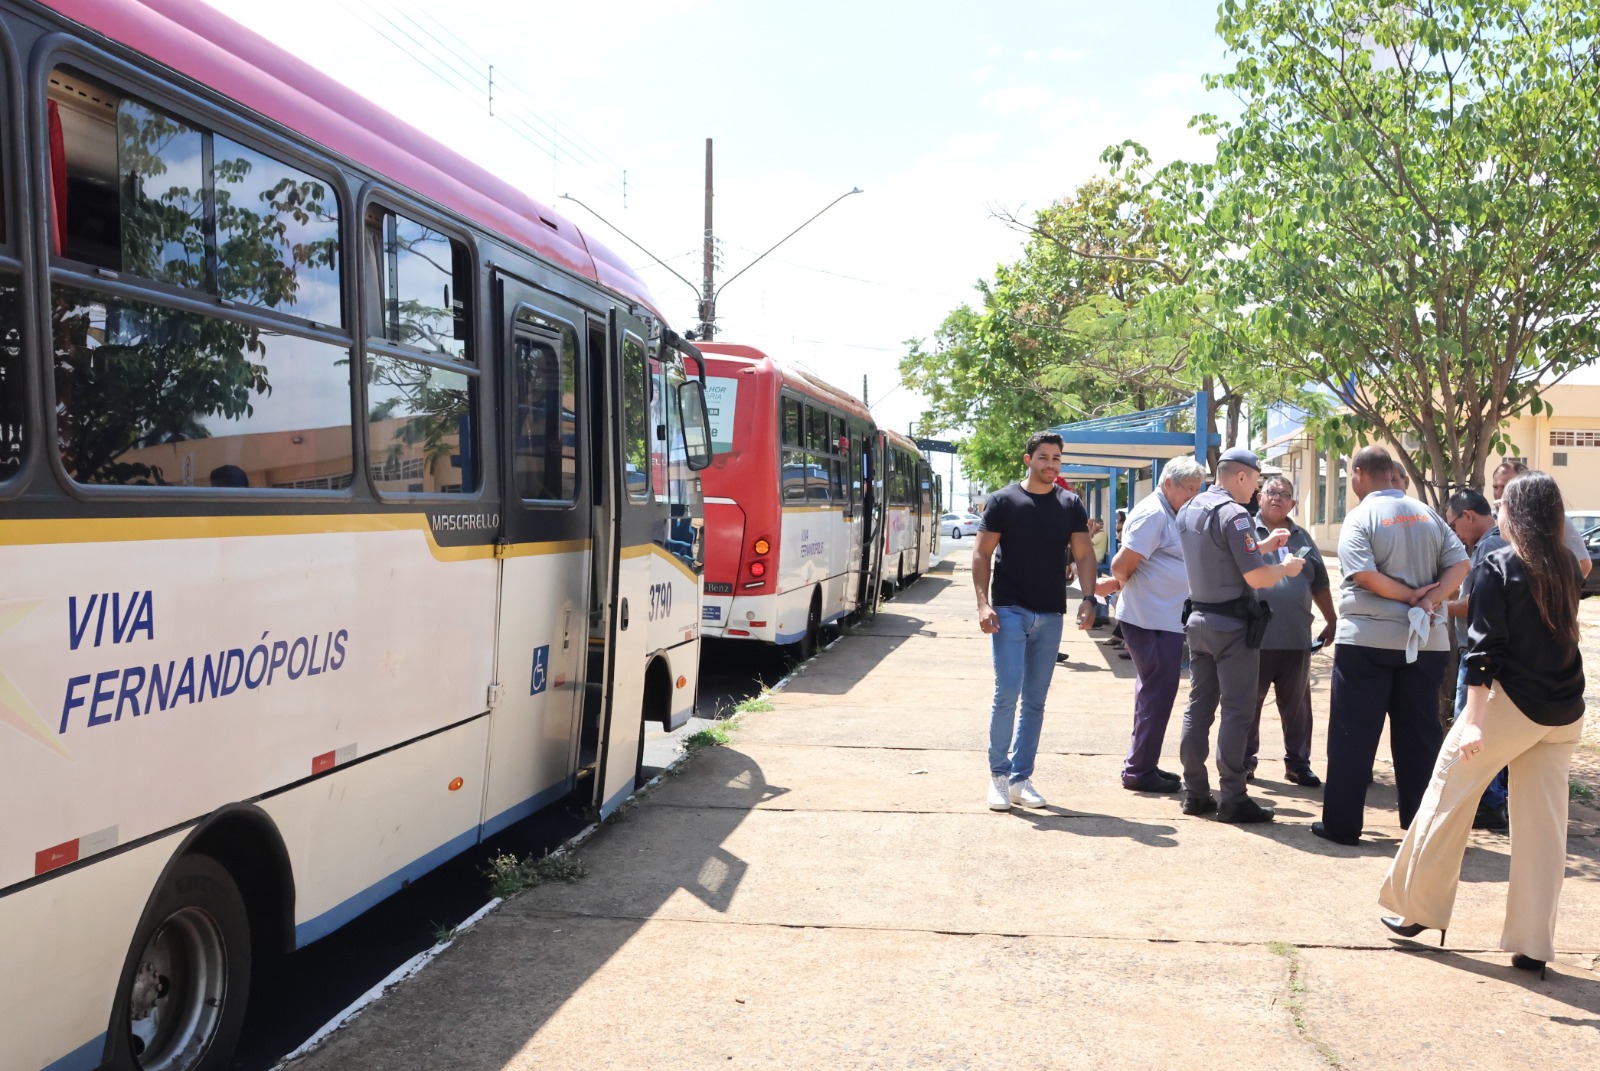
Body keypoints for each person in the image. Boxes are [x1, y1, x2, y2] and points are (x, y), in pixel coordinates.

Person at [1378, 471, 1586, 980]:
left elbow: (1483, 650)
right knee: (1544, 827)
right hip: (1565, 709)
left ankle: (1416, 909)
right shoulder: (1565, 564)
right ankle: (1533, 943)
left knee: (1445, 795)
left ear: (1514, 513)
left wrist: (1471, 721)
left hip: (1510, 706)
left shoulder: (1500, 563)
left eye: (1503, 503)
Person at [1314, 446, 1470, 846]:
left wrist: (1407, 596)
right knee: (1419, 735)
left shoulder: (1361, 515)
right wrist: (1430, 600)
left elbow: (1364, 575)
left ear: (1361, 472)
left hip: (1368, 639)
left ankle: (1343, 825)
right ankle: (1420, 828)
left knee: (1353, 734)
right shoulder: (1428, 514)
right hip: (1427, 641)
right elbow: (1461, 565)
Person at [1175, 447, 1307, 824]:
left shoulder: (1191, 508)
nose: (1258, 489)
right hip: (1232, 627)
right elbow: (1255, 577)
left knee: (1198, 709)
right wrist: (1285, 567)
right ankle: (1233, 797)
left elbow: (1218, 556)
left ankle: (1196, 792)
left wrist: (1262, 547)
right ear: (1241, 477)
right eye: (1257, 480)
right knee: (1237, 712)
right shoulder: (1234, 514)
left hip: (1198, 620)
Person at [974, 431, 1099, 811]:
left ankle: (1020, 779)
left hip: (1050, 612)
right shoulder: (1003, 500)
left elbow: (1085, 554)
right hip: (1009, 609)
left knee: (1036, 701)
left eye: (1056, 458)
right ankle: (998, 775)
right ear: (1028, 459)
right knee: (1008, 692)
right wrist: (983, 603)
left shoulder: (1069, 503)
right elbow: (982, 554)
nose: (1050, 464)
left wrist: (1090, 598)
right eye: (1043, 457)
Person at [1096, 456, 1207, 793]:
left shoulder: (1169, 511)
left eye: (1197, 490)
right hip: (1150, 618)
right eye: (1188, 489)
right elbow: (1121, 563)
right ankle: (1139, 770)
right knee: (1158, 694)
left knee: (1154, 694)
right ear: (1167, 483)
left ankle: (1143, 763)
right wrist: (1119, 585)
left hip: (1161, 618)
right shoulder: (1153, 513)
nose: (1193, 495)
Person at [1246, 475, 1336, 787]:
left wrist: (1331, 620)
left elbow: (1320, 583)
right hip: (1254, 639)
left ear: (1293, 504)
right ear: (1259, 497)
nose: (1277, 498)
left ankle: (1298, 764)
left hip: (1296, 638)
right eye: (1271, 492)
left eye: (1284, 494)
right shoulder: (1245, 531)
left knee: (1297, 707)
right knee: (1248, 703)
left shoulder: (1303, 538)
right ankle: (1244, 761)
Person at [1443, 489, 1510, 831]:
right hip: (1498, 650)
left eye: (1454, 525)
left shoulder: (1487, 545)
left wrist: (1435, 606)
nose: (1455, 533)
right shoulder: (1501, 541)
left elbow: (1475, 605)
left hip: (1483, 651)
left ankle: (1487, 803)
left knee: (1471, 726)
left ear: (1468, 516)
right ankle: (1493, 801)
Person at [1492, 457, 1591, 579]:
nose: (1500, 493)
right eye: (1496, 487)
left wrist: (1561, 593)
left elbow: (1584, 564)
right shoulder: (1495, 520)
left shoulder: (1553, 519)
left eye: (1507, 487)